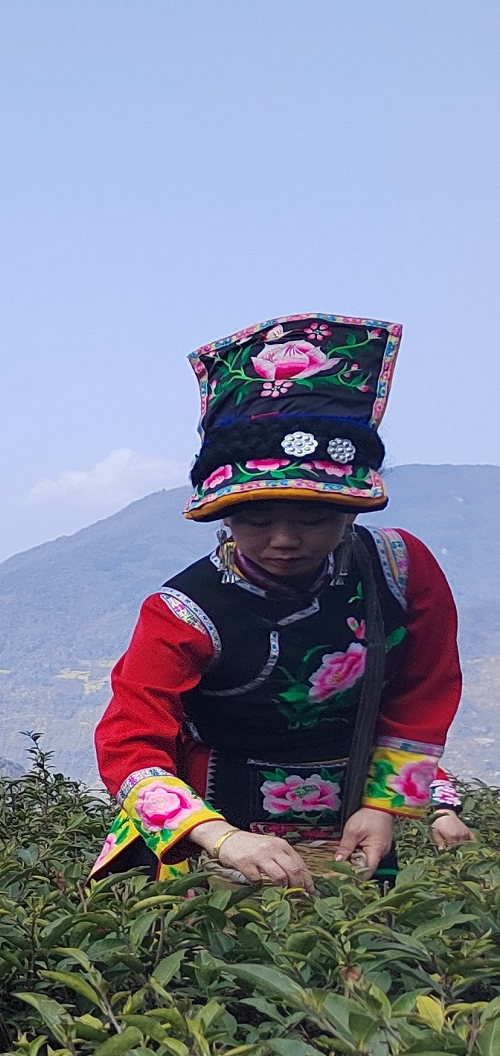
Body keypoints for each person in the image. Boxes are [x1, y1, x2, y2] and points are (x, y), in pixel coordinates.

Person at [93, 313, 471, 887]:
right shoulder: (182, 611)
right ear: (223, 519)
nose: (284, 540)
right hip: (208, 820)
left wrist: (384, 807)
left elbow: (423, 694)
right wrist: (220, 837)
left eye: (313, 518)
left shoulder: (400, 570)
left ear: (350, 512)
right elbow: (129, 738)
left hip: (351, 818)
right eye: (256, 519)